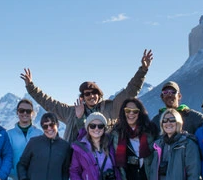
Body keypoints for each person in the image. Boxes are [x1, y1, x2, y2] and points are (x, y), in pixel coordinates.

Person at [20, 49, 153, 141]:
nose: (91, 96)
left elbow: (130, 91)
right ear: (82, 97)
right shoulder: (70, 112)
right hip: (76, 163)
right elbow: (48, 103)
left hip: (104, 159)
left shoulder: (110, 108)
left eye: (95, 93)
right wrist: (31, 87)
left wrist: (143, 70)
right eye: (87, 94)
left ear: (99, 95)